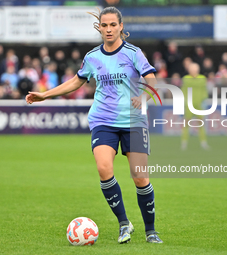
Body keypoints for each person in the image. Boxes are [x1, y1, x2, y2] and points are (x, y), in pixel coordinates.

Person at [26, 7, 163, 244]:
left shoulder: (133, 53)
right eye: (104, 25)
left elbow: (151, 79)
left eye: (113, 25)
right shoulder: (92, 57)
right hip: (103, 120)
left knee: (140, 178)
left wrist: (144, 96)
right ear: (99, 27)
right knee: (103, 169)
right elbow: (76, 81)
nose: (108, 29)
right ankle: (123, 224)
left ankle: (150, 231)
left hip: (133, 121)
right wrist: (45, 95)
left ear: (121, 27)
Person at [181, 63, 210, 150]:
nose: (194, 71)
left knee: (201, 124)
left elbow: (204, 91)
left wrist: (204, 100)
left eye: (195, 69)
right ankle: (184, 143)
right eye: (192, 69)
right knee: (186, 124)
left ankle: (203, 142)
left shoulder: (202, 78)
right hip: (189, 105)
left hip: (199, 105)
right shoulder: (186, 79)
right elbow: (183, 91)